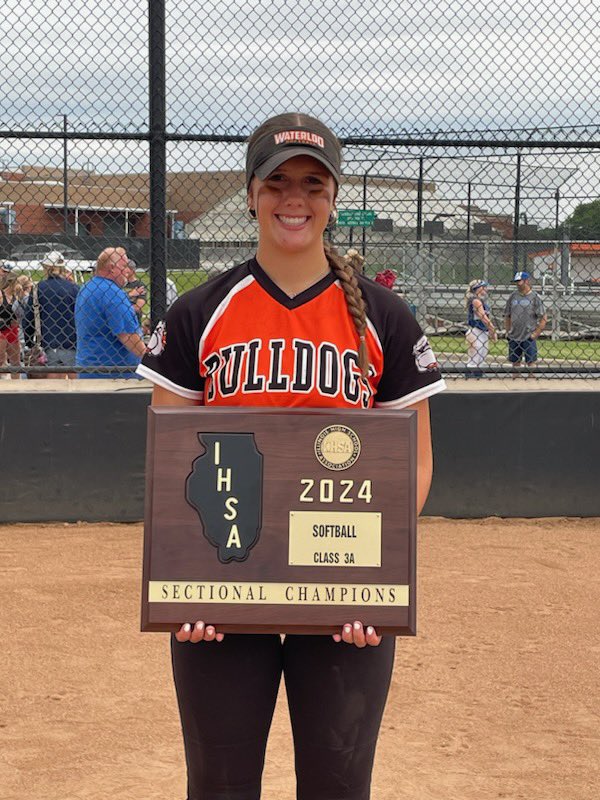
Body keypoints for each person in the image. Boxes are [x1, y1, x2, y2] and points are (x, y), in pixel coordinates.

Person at [138, 112, 446, 800]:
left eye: (313, 182)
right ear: (251, 193)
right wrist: (187, 581)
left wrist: (376, 572)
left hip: (341, 590)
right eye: (277, 182)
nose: (294, 199)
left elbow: (414, 463)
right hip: (220, 588)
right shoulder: (200, 311)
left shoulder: (384, 317)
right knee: (219, 783)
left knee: (338, 784)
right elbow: (171, 461)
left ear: (334, 199)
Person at [75, 247, 146, 378]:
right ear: (112, 268)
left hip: (89, 369)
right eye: (124, 266)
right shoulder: (112, 293)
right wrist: (153, 364)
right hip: (114, 375)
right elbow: (128, 336)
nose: (128, 271)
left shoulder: (87, 287)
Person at [23, 252, 79, 379]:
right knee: (74, 379)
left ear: (46, 268)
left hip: (48, 341)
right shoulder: (74, 288)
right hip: (72, 341)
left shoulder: (39, 288)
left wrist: (29, 341)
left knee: (53, 381)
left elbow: (29, 318)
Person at [504, 271, 547, 373]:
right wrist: (507, 331)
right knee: (515, 362)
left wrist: (536, 334)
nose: (517, 284)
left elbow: (543, 317)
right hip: (514, 335)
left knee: (531, 362)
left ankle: (531, 383)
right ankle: (516, 381)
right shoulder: (513, 296)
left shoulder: (535, 297)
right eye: (516, 282)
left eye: (519, 281)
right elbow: (507, 315)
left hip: (528, 335)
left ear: (527, 281)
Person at [464, 279, 497, 377]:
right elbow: (483, 317)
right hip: (476, 332)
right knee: (475, 359)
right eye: (484, 287)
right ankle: (470, 379)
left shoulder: (482, 301)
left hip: (483, 332)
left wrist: (489, 330)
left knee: (481, 358)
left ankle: (478, 380)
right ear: (478, 289)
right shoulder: (476, 300)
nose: (486, 289)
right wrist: (493, 330)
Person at [0, 272, 23, 379]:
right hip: (2, 331)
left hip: (13, 331)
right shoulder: (1, 295)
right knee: (0, 360)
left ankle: (16, 383)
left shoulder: (16, 297)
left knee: (16, 362)